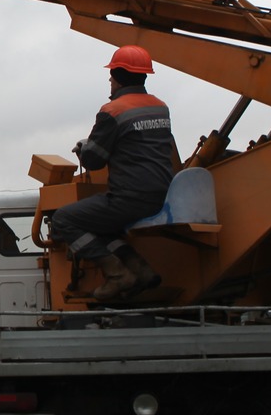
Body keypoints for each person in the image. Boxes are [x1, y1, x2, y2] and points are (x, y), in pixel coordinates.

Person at [46, 45, 175, 303]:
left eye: (111, 75)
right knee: (101, 225)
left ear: (116, 75)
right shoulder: (161, 108)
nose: (109, 81)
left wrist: (83, 149)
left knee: (64, 220)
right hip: (163, 196)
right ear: (144, 76)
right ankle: (141, 270)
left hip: (129, 199)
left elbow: (93, 160)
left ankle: (117, 276)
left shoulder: (113, 111)